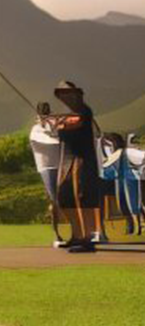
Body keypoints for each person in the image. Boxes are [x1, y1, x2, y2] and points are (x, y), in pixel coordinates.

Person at [51, 80, 103, 253]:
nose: (65, 97)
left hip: (82, 160)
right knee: (65, 198)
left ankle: (87, 238)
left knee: (82, 198)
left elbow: (75, 123)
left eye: (67, 93)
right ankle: (77, 234)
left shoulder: (83, 110)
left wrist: (58, 123)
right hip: (67, 160)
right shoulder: (65, 113)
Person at [29, 103, 65, 245]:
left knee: (65, 199)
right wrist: (55, 131)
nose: (46, 117)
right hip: (46, 168)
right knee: (54, 200)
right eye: (43, 115)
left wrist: (56, 126)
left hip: (61, 166)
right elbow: (49, 140)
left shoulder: (54, 128)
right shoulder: (35, 130)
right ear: (38, 116)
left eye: (48, 114)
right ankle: (57, 235)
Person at [101, 133, 140, 238]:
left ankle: (137, 226)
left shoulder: (126, 154)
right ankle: (130, 224)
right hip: (119, 179)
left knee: (132, 203)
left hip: (129, 178)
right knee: (122, 203)